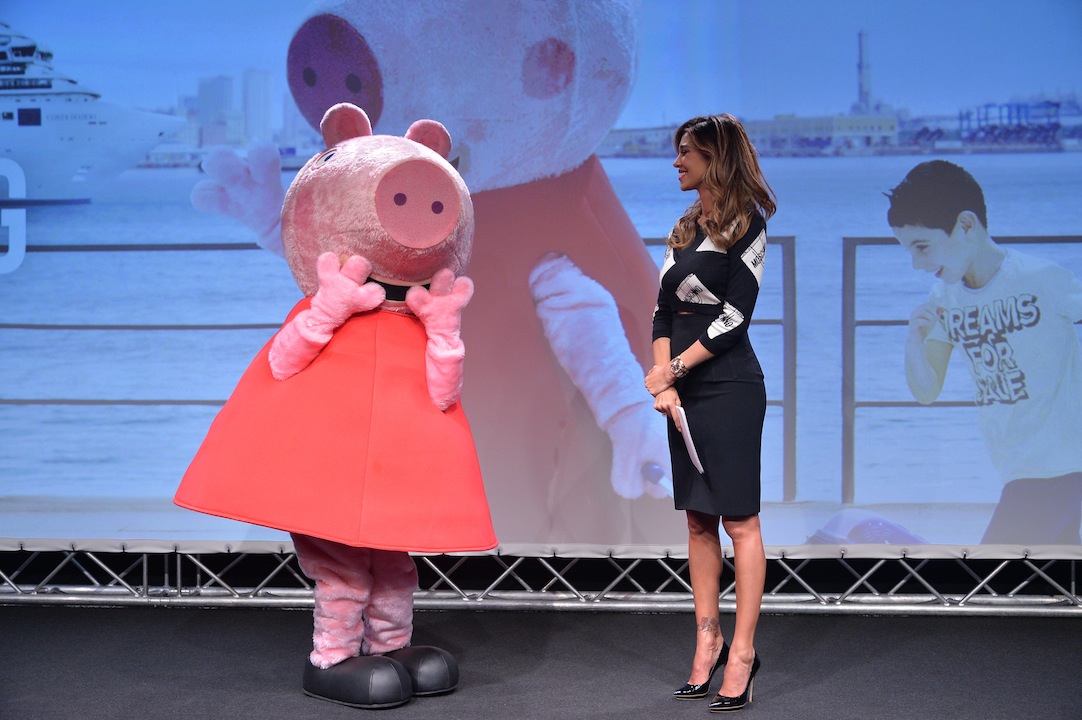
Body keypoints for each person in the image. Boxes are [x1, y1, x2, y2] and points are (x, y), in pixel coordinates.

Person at [645, 114, 775, 713]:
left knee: (739, 523)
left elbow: (734, 319)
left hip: (729, 386)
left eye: (686, 152)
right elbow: (661, 312)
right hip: (683, 390)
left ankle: (743, 654)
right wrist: (664, 380)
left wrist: (673, 370)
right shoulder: (684, 226)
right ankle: (708, 640)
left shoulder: (748, 223)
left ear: (714, 157)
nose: (677, 162)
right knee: (698, 521)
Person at [887, 159, 1082, 545]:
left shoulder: (1041, 278)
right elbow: (927, 390)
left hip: (1062, 463)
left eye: (922, 247)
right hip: (1015, 467)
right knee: (1052, 571)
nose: (917, 264)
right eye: (909, 251)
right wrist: (913, 339)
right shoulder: (945, 298)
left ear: (966, 225)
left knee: (996, 567)